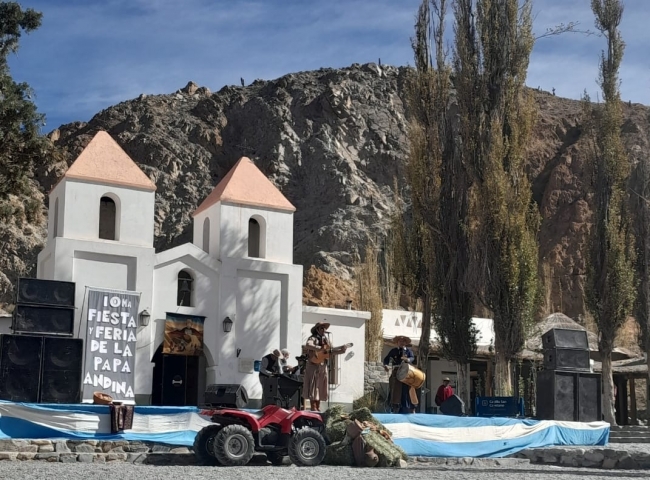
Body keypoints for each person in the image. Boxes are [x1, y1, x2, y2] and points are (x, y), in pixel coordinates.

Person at [303, 321, 348, 411]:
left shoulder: (326, 340)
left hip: (323, 366)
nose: (324, 330)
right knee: (313, 385)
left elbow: (330, 351)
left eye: (325, 328)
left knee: (321, 385)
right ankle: (313, 406)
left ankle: (318, 406)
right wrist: (319, 348)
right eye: (322, 328)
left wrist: (341, 350)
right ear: (317, 329)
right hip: (313, 365)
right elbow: (308, 345)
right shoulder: (312, 338)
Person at [383, 335, 416, 413]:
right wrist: (386, 365)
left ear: (405, 343)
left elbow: (412, 358)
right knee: (394, 388)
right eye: (400, 341)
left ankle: (410, 407)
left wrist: (407, 359)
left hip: (406, 372)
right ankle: (394, 407)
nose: (401, 343)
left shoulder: (408, 351)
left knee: (408, 389)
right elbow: (386, 359)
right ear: (397, 342)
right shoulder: (393, 350)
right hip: (396, 371)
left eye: (403, 341)